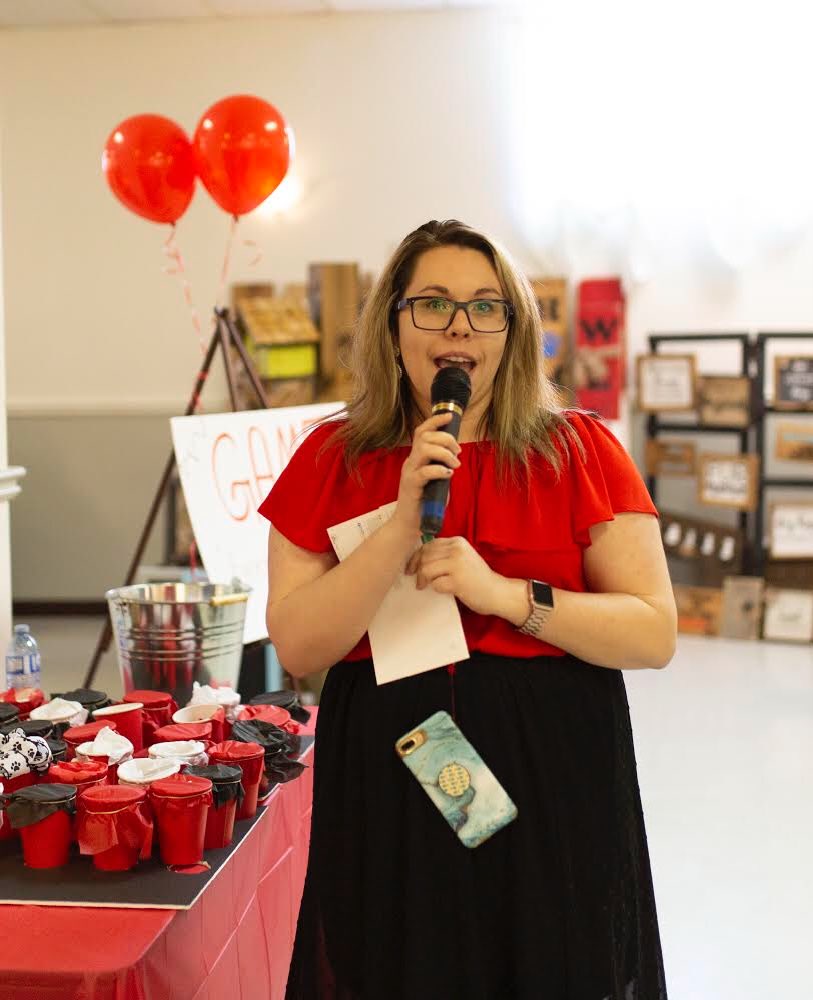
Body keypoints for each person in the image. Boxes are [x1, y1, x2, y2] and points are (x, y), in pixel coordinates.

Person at [259, 219, 675, 999]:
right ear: (392, 325)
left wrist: (506, 597)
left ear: (511, 332)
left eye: (486, 306)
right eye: (433, 303)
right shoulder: (329, 458)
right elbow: (299, 646)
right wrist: (398, 522)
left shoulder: (579, 451)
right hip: (389, 773)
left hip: (554, 771)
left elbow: (652, 634)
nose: (459, 325)